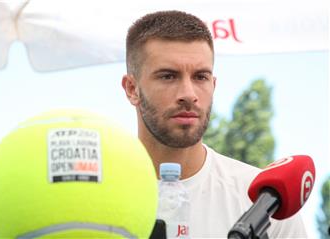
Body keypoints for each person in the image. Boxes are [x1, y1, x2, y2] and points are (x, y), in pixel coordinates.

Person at [122, 10, 308, 238]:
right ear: (132, 89)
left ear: (214, 84)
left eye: (200, 76)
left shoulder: (265, 204)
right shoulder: (95, 193)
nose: (188, 94)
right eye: (168, 76)